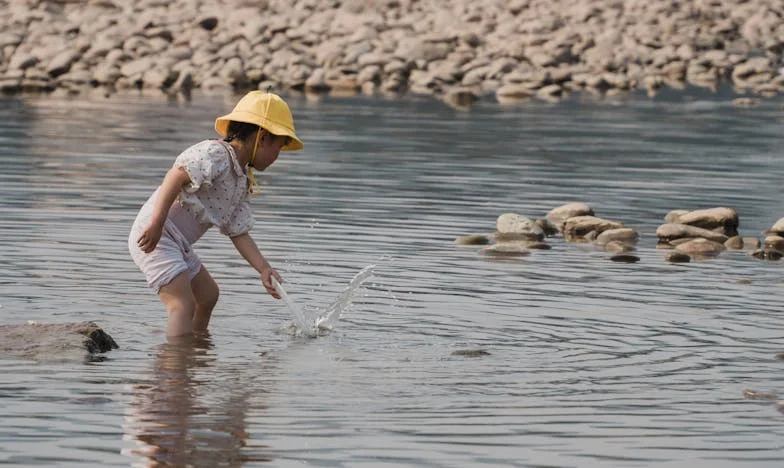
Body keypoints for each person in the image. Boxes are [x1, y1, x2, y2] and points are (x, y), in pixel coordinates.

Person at [128, 90, 304, 337]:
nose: (277, 156)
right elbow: (175, 176)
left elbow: (238, 232)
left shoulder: (240, 180)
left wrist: (264, 268)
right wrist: (157, 223)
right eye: (279, 147)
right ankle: (175, 359)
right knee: (182, 304)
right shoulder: (216, 154)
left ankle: (196, 347)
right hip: (157, 235)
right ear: (262, 138)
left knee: (208, 296)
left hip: (177, 242)